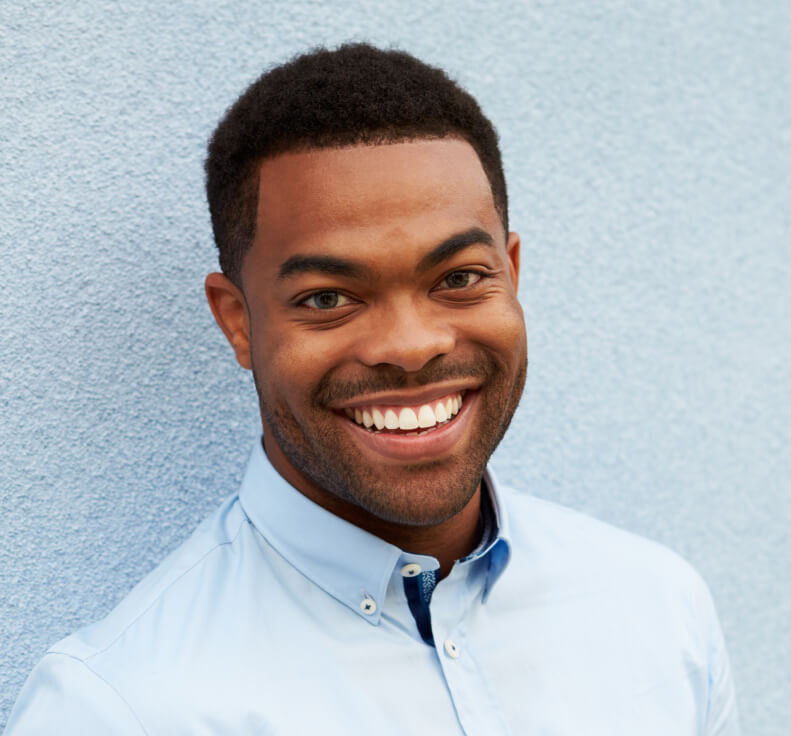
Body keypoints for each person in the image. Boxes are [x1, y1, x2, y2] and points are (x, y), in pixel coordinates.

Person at [4, 43, 739, 735]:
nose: (412, 348)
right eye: (328, 297)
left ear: (510, 274)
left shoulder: (656, 608)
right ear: (238, 323)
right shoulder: (120, 709)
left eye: (458, 278)